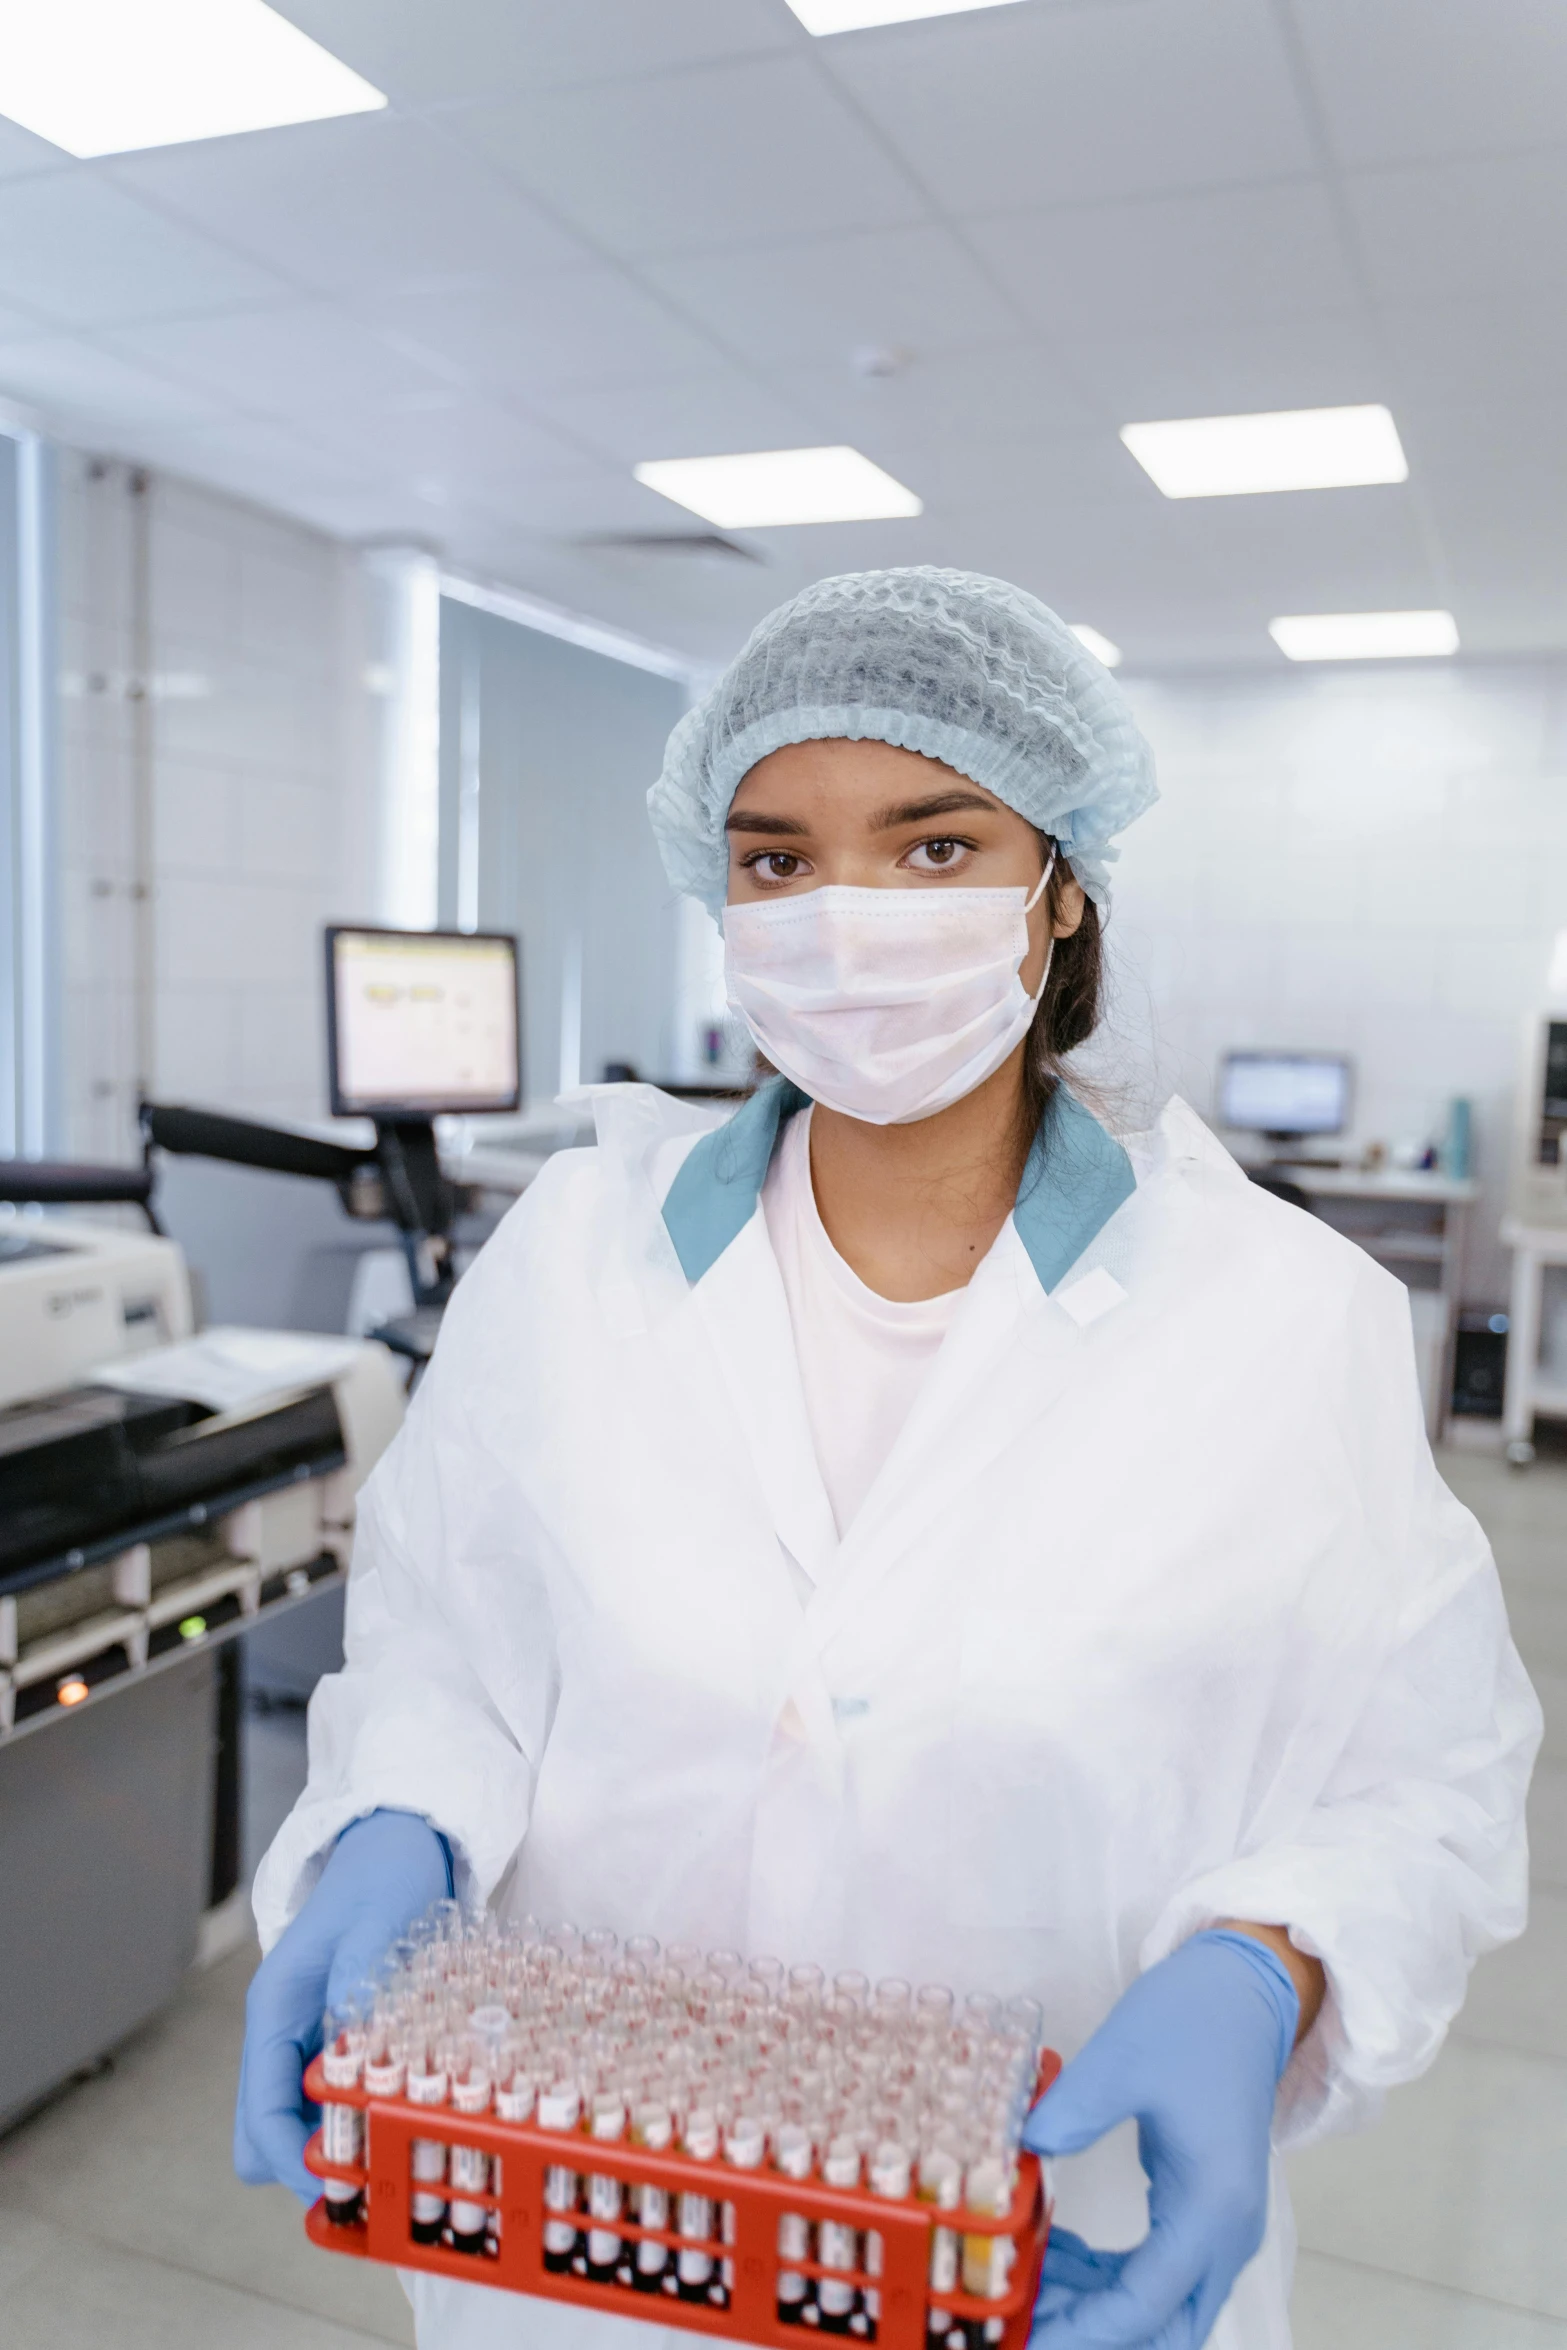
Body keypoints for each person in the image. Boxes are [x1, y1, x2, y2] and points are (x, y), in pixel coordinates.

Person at [237, 568, 1539, 2350]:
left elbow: (1421, 1775)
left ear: (1060, 881)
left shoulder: (1279, 1314)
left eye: (932, 848)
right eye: (777, 859)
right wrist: (397, 1811)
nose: (845, 919)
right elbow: (447, 1645)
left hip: (1041, 2253)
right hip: (586, 2240)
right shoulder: (570, 1251)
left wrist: (1269, 1959)